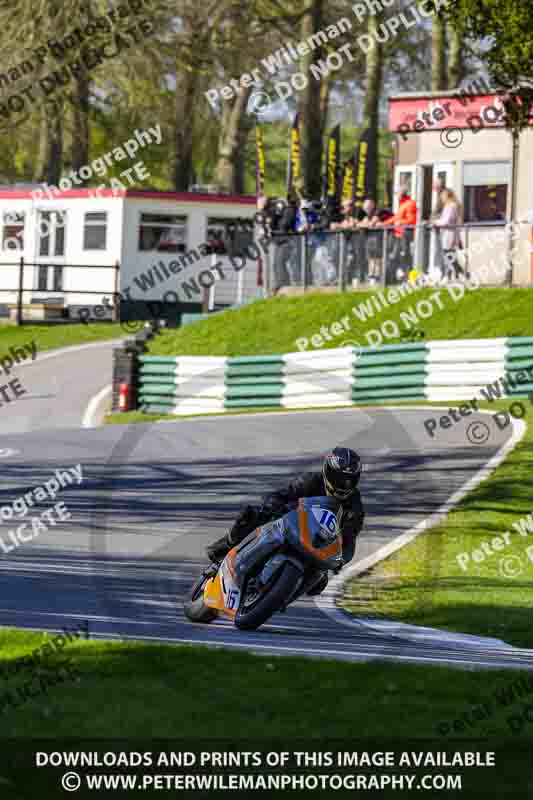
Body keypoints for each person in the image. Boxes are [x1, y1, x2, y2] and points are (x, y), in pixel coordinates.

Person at [206, 447, 365, 596]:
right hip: (291, 523)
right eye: (339, 478)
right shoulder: (311, 481)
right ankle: (225, 548)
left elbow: (350, 537)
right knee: (251, 516)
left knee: (319, 583)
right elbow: (283, 494)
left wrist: (341, 560)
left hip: (318, 546)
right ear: (327, 471)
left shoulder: (354, 505)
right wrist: (271, 505)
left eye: (350, 480)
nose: (344, 484)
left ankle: (281, 597)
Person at [379, 183, 418, 282]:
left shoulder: (410, 203)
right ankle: (393, 278)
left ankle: (412, 278)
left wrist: (399, 222)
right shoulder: (402, 204)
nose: (396, 195)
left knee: (407, 256)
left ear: (402, 193)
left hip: (406, 235)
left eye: (398, 193)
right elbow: (397, 217)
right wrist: (384, 223)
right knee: (396, 257)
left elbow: (412, 220)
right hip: (398, 235)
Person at [434, 188, 464, 280]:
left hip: (449, 233)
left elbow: (446, 221)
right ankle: (457, 274)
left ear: (447, 196)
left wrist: (435, 222)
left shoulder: (451, 206)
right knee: (450, 255)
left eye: (443, 196)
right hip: (448, 233)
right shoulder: (450, 206)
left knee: (449, 255)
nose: (441, 198)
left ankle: (458, 274)